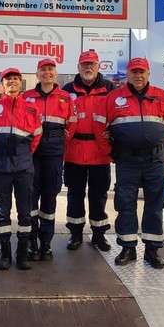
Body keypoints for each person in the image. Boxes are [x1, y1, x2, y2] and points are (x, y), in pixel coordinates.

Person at [105, 57, 164, 269]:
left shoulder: (162, 96)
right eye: (134, 71)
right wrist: (112, 151)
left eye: (142, 71)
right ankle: (128, 247)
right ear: (127, 74)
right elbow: (101, 127)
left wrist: (158, 142)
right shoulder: (113, 98)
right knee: (125, 203)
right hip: (127, 159)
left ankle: (152, 249)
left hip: (154, 159)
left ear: (148, 74)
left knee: (155, 204)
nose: (138, 75)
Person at [0, 68, 42, 270]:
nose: (12, 82)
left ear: (21, 83)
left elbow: (36, 137)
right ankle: (6, 252)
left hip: (24, 166)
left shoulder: (32, 109)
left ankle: (22, 251)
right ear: (3, 84)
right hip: (1, 164)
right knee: (2, 211)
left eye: (16, 78)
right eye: (8, 79)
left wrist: (24, 155)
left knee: (25, 211)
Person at [22, 58, 76, 261]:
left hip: (54, 152)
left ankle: (46, 243)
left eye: (50, 69)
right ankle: (31, 241)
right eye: (43, 70)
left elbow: (73, 123)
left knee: (50, 196)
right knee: (30, 196)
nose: (47, 73)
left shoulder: (66, 97)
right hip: (32, 152)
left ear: (56, 73)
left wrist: (61, 142)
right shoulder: (26, 97)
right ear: (37, 74)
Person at [62, 50, 115, 252]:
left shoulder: (110, 89)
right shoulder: (67, 91)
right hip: (74, 152)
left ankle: (99, 235)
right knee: (74, 195)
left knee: (99, 195)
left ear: (98, 66)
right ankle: (75, 234)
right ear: (78, 67)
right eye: (84, 64)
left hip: (100, 153)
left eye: (91, 64)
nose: (88, 68)